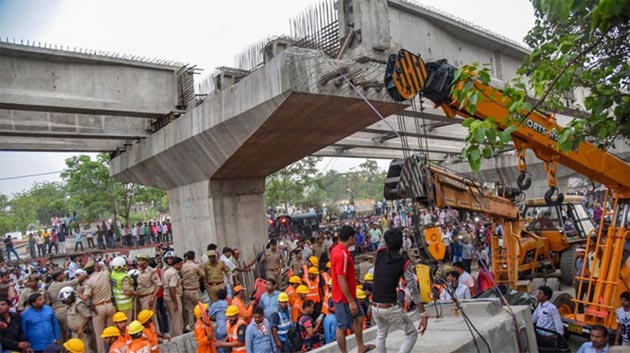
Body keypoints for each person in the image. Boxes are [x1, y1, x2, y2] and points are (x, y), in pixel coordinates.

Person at [371, 229, 428, 353]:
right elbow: (413, 290)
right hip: (389, 308)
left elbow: (384, 237)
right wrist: (423, 313)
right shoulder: (404, 263)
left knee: (381, 334)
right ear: (401, 244)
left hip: (374, 305)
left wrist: (389, 225)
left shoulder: (380, 253)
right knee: (412, 334)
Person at [330, 225, 375, 353]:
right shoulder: (341, 254)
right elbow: (341, 279)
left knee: (359, 318)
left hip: (349, 294)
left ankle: (361, 346)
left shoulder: (337, 250)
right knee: (342, 327)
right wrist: (350, 301)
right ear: (350, 238)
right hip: (343, 297)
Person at [81, 260, 116, 353]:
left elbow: (85, 297)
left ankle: (102, 351)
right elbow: (105, 267)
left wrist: (79, 293)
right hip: (109, 304)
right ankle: (114, 349)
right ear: (95, 268)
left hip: (98, 308)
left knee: (100, 335)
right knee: (111, 332)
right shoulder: (105, 274)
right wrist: (100, 265)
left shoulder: (89, 282)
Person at [61, 286, 93, 353]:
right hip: (74, 333)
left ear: (70, 296)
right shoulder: (69, 305)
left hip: (82, 332)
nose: (65, 302)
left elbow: (88, 316)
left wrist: (81, 328)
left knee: (86, 349)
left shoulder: (79, 304)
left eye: (66, 299)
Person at [181, 251, 205, 330]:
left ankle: (191, 326)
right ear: (194, 257)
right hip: (194, 290)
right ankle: (203, 323)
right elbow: (203, 275)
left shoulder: (183, 266)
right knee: (200, 307)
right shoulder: (195, 266)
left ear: (186, 258)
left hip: (186, 290)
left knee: (190, 309)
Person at [110, 256, 136, 322]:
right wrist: (135, 293)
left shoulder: (113, 274)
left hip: (118, 304)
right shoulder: (124, 277)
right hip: (126, 305)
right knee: (127, 324)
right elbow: (127, 292)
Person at [163, 256, 184, 337]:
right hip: (173, 297)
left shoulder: (167, 271)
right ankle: (178, 336)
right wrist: (175, 302)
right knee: (177, 319)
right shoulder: (174, 273)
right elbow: (172, 287)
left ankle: (172, 334)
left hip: (167, 296)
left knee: (171, 318)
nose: (181, 266)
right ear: (177, 264)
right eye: (181, 264)